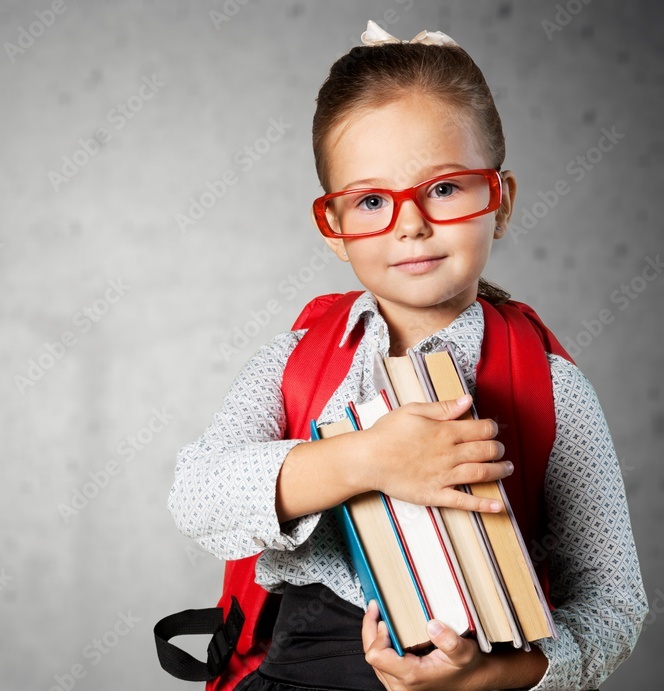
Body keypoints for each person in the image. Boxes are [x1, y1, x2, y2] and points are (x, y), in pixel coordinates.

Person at [168, 20, 647, 691]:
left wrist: (489, 676)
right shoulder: (297, 361)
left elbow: (615, 603)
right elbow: (196, 496)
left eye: (444, 188)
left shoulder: (553, 388)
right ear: (333, 227)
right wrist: (368, 459)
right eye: (370, 200)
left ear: (500, 201)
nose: (410, 223)